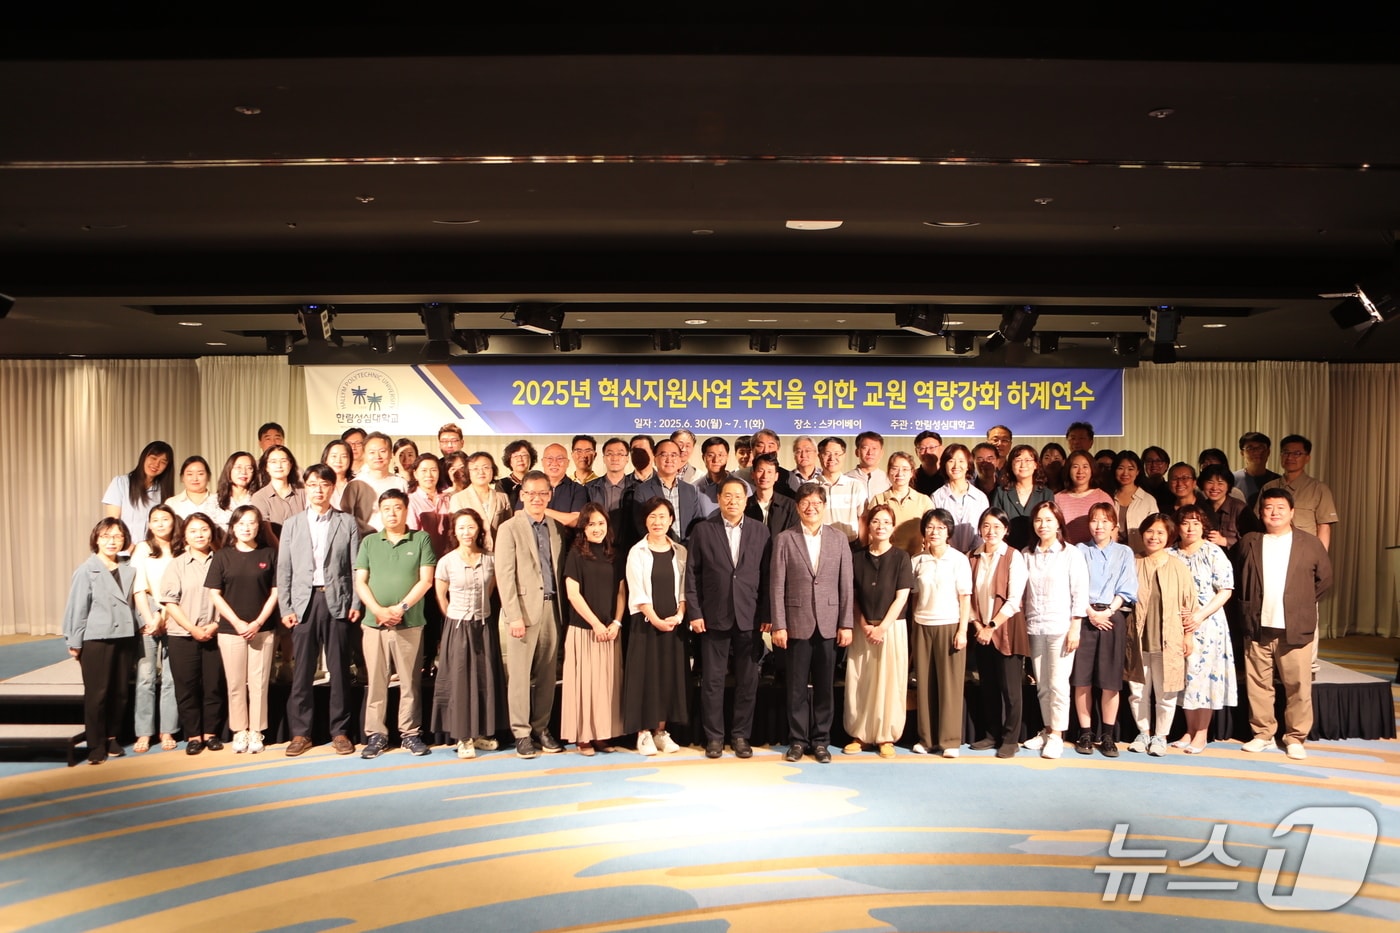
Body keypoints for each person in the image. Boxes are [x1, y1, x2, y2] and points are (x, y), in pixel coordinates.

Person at [1238, 489, 1332, 760]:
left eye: (1281, 507)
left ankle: (1295, 737)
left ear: (1292, 512)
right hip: (1257, 625)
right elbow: (1240, 575)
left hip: (1294, 626)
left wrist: (1299, 604)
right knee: (1258, 685)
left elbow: (1324, 580)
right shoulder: (1250, 541)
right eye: (1268, 507)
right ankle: (1263, 734)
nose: (1274, 512)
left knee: (1298, 686)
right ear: (1261, 512)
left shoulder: (1310, 543)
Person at [277, 464, 363, 757]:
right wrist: (285, 606)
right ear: (306, 487)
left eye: (324, 484)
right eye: (312, 484)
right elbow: (284, 570)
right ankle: (301, 733)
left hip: (337, 600)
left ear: (332, 488)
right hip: (303, 603)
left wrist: (355, 602)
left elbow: (355, 568)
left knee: (339, 670)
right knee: (302, 672)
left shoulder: (347, 522)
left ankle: (340, 731)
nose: (318, 489)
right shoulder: (292, 524)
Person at [687, 478, 771, 759]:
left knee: (748, 681)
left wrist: (767, 614)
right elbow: (692, 575)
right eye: (727, 496)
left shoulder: (761, 532)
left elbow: (768, 576)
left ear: (746, 500)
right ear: (719, 499)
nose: (733, 501)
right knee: (712, 681)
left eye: (738, 496)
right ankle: (714, 737)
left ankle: (740, 735)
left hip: (749, 616)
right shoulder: (702, 530)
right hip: (713, 616)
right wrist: (695, 613)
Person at [771, 483, 853, 764]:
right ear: (797, 507)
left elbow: (846, 585)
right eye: (805, 503)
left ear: (824, 505)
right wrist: (779, 624)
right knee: (795, 686)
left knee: (824, 686)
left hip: (830, 623)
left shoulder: (839, 539)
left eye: (816, 502)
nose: (811, 507)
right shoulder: (785, 538)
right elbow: (776, 585)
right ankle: (797, 740)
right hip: (796, 622)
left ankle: (820, 741)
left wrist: (846, 624)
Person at [353, 489, 437, 759]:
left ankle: (410, 734)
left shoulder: (421, 539)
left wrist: (400, 609)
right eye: (387, 508)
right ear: (380, 511)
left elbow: (426, 581)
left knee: (410, 682)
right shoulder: (369, 543)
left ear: (405, 509)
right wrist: (378, 610)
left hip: (409, 622)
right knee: (376, 682)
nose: (392, 513)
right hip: (374, 623)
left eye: (397, 507)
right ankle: (376, 734)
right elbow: (361, 581)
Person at [495, 470, 566, 758]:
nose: (537, 498)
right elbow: (504, 575)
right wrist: (514, 616)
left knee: (548, 675)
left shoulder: (556, 527)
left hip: (553, 608)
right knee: (520, 676)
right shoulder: (509, 528)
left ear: (550, 495)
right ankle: (521, 732)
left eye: (542, 493)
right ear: (522, 495)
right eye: (531, 493)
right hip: (522, 612)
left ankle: (541, 727)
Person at [63, 517, 140, 764]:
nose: (112, 541)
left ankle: (111, 737)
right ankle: (95, 744)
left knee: (120, 692)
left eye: (117, 536)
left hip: (125, 636)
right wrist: (74, 641)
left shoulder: (129, 569)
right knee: (97, 694)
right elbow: (76, 607)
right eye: (106, 536)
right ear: (96, 539)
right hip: (97, 638)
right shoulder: (87, 569)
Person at [432, 508, 507, 759]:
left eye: (471, 527)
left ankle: (482, 733)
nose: (467, 532)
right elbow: (441, 597)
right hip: (458, 626)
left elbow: (490, 591)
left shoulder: (490, 559)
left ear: (479, 529)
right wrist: (454, 618)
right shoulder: (447, 561)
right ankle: (463, 737)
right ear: (455, 531)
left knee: (485, 678)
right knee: (461, 682)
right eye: (461, 527)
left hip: (483, 625)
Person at [205, 505, 279, 755]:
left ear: (259, 526)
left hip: (263, 628)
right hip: (229, 629)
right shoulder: (222, 556)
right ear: (233, 527)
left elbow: (275, 593)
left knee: (258, 683)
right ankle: (240, 731)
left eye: (252, 523)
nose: (247, 527)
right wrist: (237, 623)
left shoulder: (269, 554)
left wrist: (258, 622)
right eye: (241, 523)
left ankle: (257, 731)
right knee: (236, 683)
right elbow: (215, 594)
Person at [844, 503, 913, 758]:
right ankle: (859, 734)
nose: (881, 526)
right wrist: (863, 625)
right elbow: (852, 596)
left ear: (892, 527)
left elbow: (902, 596)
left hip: (892, 628)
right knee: (861, 680)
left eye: (886, 522)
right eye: (876, 521)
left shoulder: (901, 557)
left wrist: (882, 627)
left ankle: (886, 737)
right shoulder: (856, 558)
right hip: (863, 628)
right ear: (868, 526)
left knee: (889, 682)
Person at [1021, 501, 1088, 759]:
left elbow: (1079, 592)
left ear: (1058, 522)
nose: (1043, 525)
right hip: (1034, 626)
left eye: (1048, 520)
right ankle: (1047, 729)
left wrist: (1075, 626)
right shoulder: (1027, 554)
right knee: (1042, 684)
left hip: (1061, 626)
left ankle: (1058, 735)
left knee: (1059, 683)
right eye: (1038, 520)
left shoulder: (1071, 554)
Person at [624, 497, 690, 756]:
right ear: (645, 521)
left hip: (673, 624)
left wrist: (679, 615)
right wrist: (655, 619)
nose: (658, 521)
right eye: (652, 516)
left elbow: (685, 589)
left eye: (662, 516)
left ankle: (661, 732)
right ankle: (644, 733)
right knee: (646, 678)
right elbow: (637, 591)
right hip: (646, 624)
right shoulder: (637, 552)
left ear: (671, 519)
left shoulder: (680, 551)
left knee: (668, 678)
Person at [1125, 513, 1194, 757]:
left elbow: (1189, 605)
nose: (1154, 537)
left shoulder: (1178, 566)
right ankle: (1143, 732)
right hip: (1138, 638)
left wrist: (1188, 636)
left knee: (1166, 692)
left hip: (1169, 639)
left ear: (1169, 536)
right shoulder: (1132, 562)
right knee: (1138, 691)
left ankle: (1161, 736)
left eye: (1160, 533)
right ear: (1142, 534)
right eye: (1150, 532)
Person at [1070, 503, 1137, 757]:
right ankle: (1085, 733)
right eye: (1094, 520)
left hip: (1112, 617)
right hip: (1084, 615)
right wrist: (1090, 612)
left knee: (1110, 682)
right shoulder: (1079, 550)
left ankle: (1108, 735)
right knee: (1082, 680)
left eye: (1105, 521)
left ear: (1113, 526)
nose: (1099, 525)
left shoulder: (1124, 552)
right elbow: (1075, 585)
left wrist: (1107, 612)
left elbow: (1127, 587)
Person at [559, 502, 625, 756]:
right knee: (584, 685)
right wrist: (596, 624)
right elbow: (572, 594)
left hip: (610, 631)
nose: (597, 528)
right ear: (583, 528)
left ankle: (600, 735)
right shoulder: (576, 553)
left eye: (601, 523)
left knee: (606, 685)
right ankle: (583, 737)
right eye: (591, 524)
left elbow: (621, 591)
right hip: (584, 630)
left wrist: (616, 622)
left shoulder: (613, 553)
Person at [1170, 504, 1237, 753]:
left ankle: (1201, 733)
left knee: (1204, 678)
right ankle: (1188, 730)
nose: (1190, 528)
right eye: (1186, 523)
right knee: (1185, 678)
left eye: (1196, 523)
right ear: (1177, 527)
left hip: (1208, 624)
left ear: (1203, 527)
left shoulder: (1213, 552)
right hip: (1177, 625)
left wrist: (1199, 615)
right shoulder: (1171, 554)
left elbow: (1226, 590)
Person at [159, 512, 226, 754]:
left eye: (204, 529)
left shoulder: (222, 559)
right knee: (186, 687)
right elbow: (169, 602)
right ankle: (193, 736)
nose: (199, 534)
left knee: (213, 686)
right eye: (193, 530)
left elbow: (230, 598)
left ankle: (211, 733)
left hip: (216, 632)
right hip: (182, 634)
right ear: (185, 536)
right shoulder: (176, 564)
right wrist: (192, 628)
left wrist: (215, 625)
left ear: (211, 532)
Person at [908, 508, 972, 757]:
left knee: (950, 685)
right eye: (930, 527)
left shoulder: (959, 560)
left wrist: (963, 630)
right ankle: (926, 739)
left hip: (950, 625)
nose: (934, 532)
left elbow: (965, 597)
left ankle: (950, 740)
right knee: (924, 684)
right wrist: (913, 628)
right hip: (922, 626)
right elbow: (913, 599)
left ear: (949, 532)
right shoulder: (917, 560)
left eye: (940, 528)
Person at [968, 508, 1030, 758]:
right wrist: (977, 626)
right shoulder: (972, 556)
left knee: (1011, 690)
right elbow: (967, 596)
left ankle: (1010, 739)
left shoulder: (1014, 556)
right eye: (986, 525)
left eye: (996, 526)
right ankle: (992, 734)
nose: (990, 531)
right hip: (979, 629)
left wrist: (991, 626)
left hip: (1006, 630)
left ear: (1006, 530)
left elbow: (1015, 600)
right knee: (989, 686)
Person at [131, 504, 182, 753]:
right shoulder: (142, 549)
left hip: (175, 613)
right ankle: (143, 732)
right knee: (145, 677)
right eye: (155, 520)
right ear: (149, 524)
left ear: (174, 522)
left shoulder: (181, 549)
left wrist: (165, 615)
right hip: (147, 614)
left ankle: (167, 730)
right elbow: (137, 587)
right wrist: (150, 618)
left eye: (165, 519)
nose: (160, 524)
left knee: (172, 678)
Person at [1258, 434, 1338, 552]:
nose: (1290, 457)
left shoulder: (1319, 489)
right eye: (1286, 452)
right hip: (1272, 550)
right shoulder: (1269, 487)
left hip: (1304, 552)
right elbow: (1259, 521)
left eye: (1297, 453)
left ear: (1307, 458)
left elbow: (1324, 527)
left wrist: (1320, 558)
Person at [631, 439, 713, 543]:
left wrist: (686, 548)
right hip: (657, 550)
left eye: (674, 455)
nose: (669, 459)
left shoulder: (690, 490)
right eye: (664, 455)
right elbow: (640, 524)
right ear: (655, 459)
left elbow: (697, 522)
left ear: (680, 460)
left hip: (686, 551)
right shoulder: (642, 490)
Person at [102, 441, 175, 544]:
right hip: (123, 551)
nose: (156, 464)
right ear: (144, 457)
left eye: (163, 462)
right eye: (153, 458)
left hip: (151, 552)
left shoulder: (163, 491)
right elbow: (113, 522)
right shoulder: (121, 483)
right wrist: (129, 547)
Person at [340, 432, 408, 535]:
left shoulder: (401, 483)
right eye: (372, 452)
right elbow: (345, 520)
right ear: (365, 455)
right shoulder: (355, 485)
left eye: (382, 451)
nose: (377, 456)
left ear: (391, 454)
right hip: (364, 542)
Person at [867, 451, 931, 558]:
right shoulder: (879, 499)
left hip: (915, 559)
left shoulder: (923, 500)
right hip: (885, 559)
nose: (899, 473)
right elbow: (870, 534)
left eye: (905, 469)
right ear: (888, 472)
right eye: (894, 468)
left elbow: (930, 533)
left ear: (912, 473)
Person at [991, 444, 1054, 551]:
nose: (1023, 464)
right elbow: (995, 523)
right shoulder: (1001, 493)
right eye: (1018, 460)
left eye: (1028, 460)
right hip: (1007, 550)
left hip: (1038, 551)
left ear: (1036, 465)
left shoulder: (1046, 493)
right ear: (1011, 465)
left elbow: (1050, 525)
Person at [450, 451, 513, 551]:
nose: (481, 472)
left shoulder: (502, 498)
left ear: (493, 470)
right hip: (471, 553)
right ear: (468, 472)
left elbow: (509, 529)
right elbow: (456, 531)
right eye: (475, 469)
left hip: (499, 553)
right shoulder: (458, 498)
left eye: (486, 467)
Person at [931, 444, 988, 554]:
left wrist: (971, 554)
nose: (956, 465)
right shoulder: (937, 497)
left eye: (961, 461)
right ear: (944, 465)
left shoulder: (980, 497)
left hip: (975, 556)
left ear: (968, 465)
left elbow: (983, 530)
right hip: (945, 557)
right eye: (951, 461)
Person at [1055, 450, 1113, 546]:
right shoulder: (1058, 498)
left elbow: (1112, 531)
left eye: (1085, 467)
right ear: (1068, 470)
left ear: (1092, 470)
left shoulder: (1103, 497)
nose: (1080, 471)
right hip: (1065, 556)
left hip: (1096, 555)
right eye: (1075, 467)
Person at [249, 444, 305, 538]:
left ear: (291, 464)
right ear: (266, 467)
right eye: (273, 462)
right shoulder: (259, 497)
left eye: (283, 461)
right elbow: (265, 533)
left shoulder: (303, 492)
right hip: (274, 549)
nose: (279, 465)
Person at [1107, 450, 1158, 554]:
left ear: (1138, 471)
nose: (1125, 473)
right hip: (1112, 554)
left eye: (1131, 469)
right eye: (1120, 468)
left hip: (1140, 555)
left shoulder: (1148, 500)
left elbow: (1155, 529)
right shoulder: (1108, 498)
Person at [818, 436, 864, 544]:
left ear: (844, 456)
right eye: (827, 453)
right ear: (819, 456)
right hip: (820, 545)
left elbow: (863, 519)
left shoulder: (855, 485)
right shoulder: (810, 487)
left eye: (837, 453)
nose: (832, 458)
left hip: (851, 545)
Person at [407, 452, 454, 556]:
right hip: (423, 556)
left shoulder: (448, 498)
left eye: (433, 470)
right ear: (415, 474)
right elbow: (412, 535)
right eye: (424, 471)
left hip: (448, 555)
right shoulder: (410, 500)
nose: (429, 475)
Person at [533, 442, 587, 529]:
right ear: (542, 462)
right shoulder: (532, 486)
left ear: (568, 463)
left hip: (567, 541)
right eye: (550, 458)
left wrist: (539, 510)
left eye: (560, 458)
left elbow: (576, 520)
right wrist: (564, 517)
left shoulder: (578, 489)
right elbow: (520, 514)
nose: (554, 463)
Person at [1198, 464, 1248, 553]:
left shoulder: (1240, 508)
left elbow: (1253, 539)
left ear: (1228, 485)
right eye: (1210, 482)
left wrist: (1225, 541)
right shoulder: (1199, 508)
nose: (1214, 488)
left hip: (1235, 561)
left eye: (1220, 483)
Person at [744, 452, 796, 536]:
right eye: (760, 471)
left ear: (776, 476)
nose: (765, 476)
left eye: (769, 472)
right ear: (753, 475)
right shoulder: (744, 505)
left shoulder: (790, 506)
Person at [694, 436, 750, 503]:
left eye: (720, 455)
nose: (716, 460)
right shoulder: (694, 488)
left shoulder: (742, 485)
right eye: (710, 455)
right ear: (703, 458)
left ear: (727, 457)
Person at [1235, 432, 1280, 508]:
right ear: (1242, 453)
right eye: (1250, 448)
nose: (1256, 452)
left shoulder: (1278, 481)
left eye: (1261, 448)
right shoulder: (1233, 479)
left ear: (1268, 452)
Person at [166, 455, 216, 520]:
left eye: (200, 474)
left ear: (208, 477)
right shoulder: (171, 503)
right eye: (189, 474)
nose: (195, 478)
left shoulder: (219, 501)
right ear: (182, 477)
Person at [845, 430, 891, 500]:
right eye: (865, 448)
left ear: (881, 453)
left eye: (874, 448)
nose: (870, 452)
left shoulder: (889, 480)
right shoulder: (846, 479)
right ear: (857, 452)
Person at [499, 438, 538, 508]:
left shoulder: (538, 481)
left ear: (531, 459)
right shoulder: (502, 484)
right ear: (509, 461)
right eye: (515, 456)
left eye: (524, 455)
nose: (520, 459)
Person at [321, 439, 356, 510]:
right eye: (334, 456)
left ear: (350, 460)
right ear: (326, 459)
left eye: (344, 456)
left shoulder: (356, 484)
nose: (338, 461)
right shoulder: (318, 484)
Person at [1140, 446, 1174, 511]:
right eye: (1149, 461)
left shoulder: (1172, 490)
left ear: (1166, 465)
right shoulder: (1138, 489)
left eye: (1159, 461)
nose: (1154, 465)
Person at [913, 430, 945, 495]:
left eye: (932, 447)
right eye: (922, 448)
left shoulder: (949, 476)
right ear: (916, 452)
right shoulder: (911, 478)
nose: (927, 452)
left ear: (941, 449)